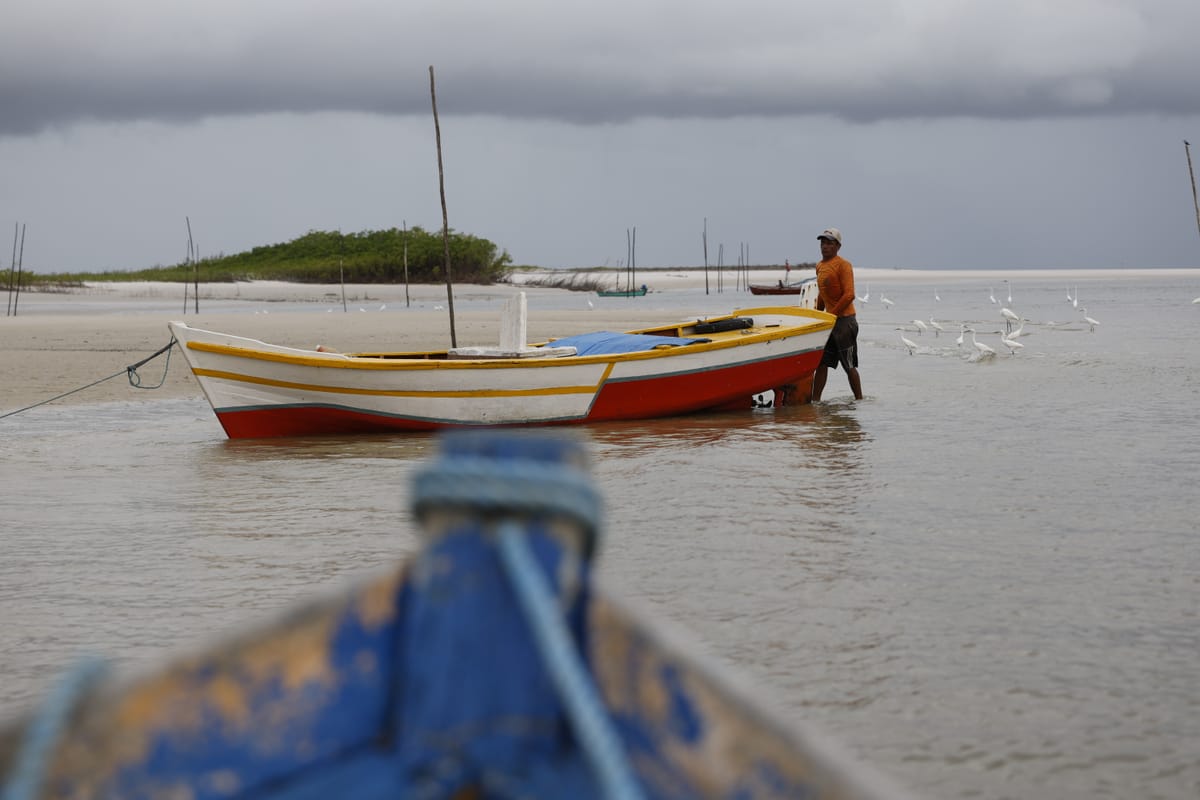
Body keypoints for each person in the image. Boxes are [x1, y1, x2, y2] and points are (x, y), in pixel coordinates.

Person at [811, 227, 864, 401]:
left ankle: (859, 401)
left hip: (845, 323)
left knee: (848, 365)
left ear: (838, 246)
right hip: (830, 322)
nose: (825, 246)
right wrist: (817, 316)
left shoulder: (843, 265)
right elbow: (822, 293)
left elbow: (849, 295)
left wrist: (831, 315)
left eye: (829, 243)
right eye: (822, 243)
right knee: (822, 363)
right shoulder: (820, 266)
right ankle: (815, 402)